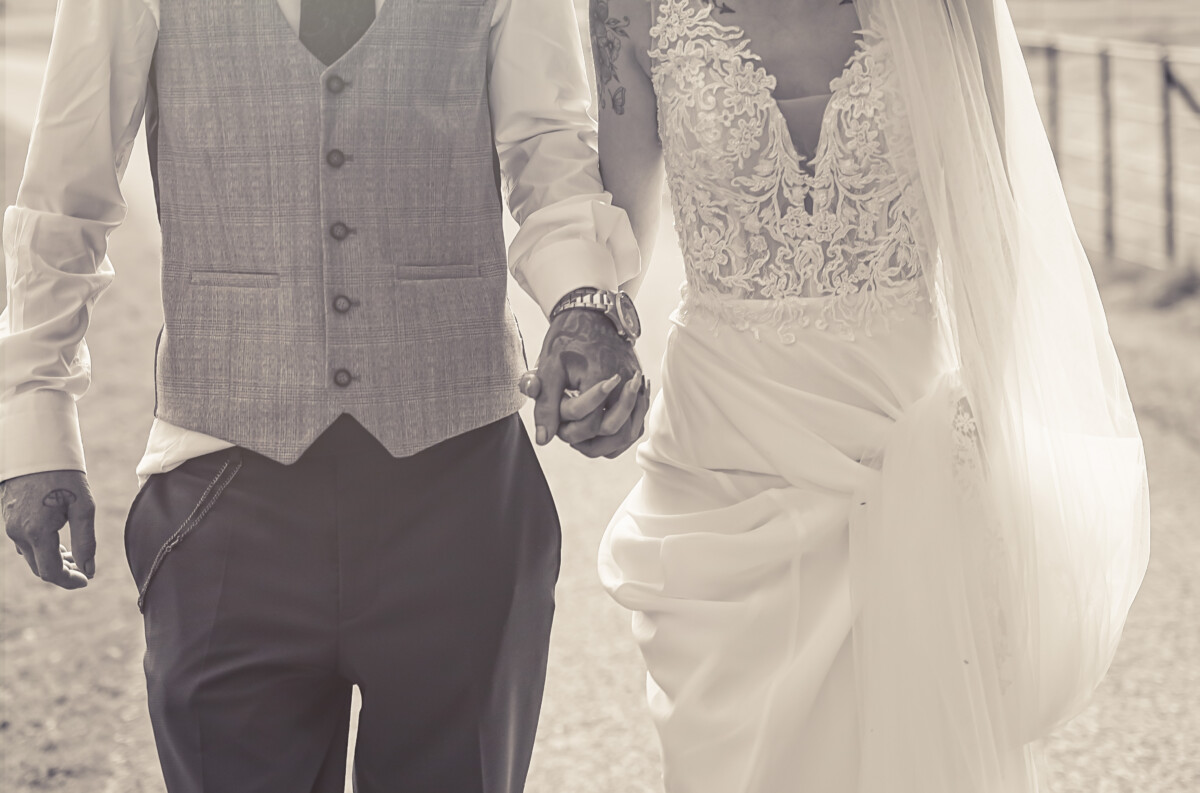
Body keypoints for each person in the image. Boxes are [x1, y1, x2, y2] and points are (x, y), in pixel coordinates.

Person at [0, 0, 649, 790]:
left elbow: (551, 147)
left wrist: (583, 300)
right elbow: (67, 188)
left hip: (462, 492)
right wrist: (34, 415)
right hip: (225, 490)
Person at [574, 0, 1153, 789]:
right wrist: (594, 335)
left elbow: (996, 232)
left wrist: (993, 426)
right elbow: (621, 240)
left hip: (906, 450)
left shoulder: (951, 10)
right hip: (725, 464)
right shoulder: (631, 12)